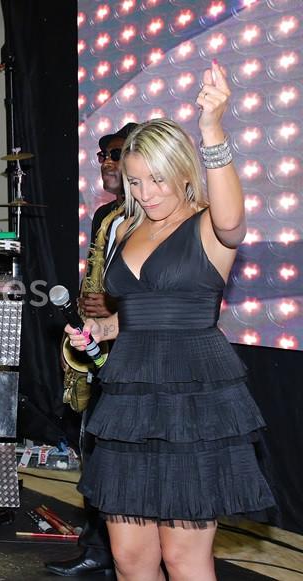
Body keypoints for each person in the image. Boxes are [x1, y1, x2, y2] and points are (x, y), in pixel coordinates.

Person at [65, 62, 275, 580]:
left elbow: (233, 221)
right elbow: (134, 315)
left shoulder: (209, 227)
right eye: (135, 181)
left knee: (184, 559)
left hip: (191, 403)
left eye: (157, 179)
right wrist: (100, 332)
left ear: (183, 171)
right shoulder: (124, 229)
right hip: (131, 404)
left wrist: (212, 127)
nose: (147, 192)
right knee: (130, 559)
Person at [45, 121, 138, 577]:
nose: (107, 162)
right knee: (93, 448)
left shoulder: (154, 216)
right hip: (101, 346)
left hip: (137, 349)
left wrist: (114, 307)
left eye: (116, 153)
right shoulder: (105, 216)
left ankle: (125, 554)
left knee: (123, 457)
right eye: (103, 154)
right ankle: (98, 548)